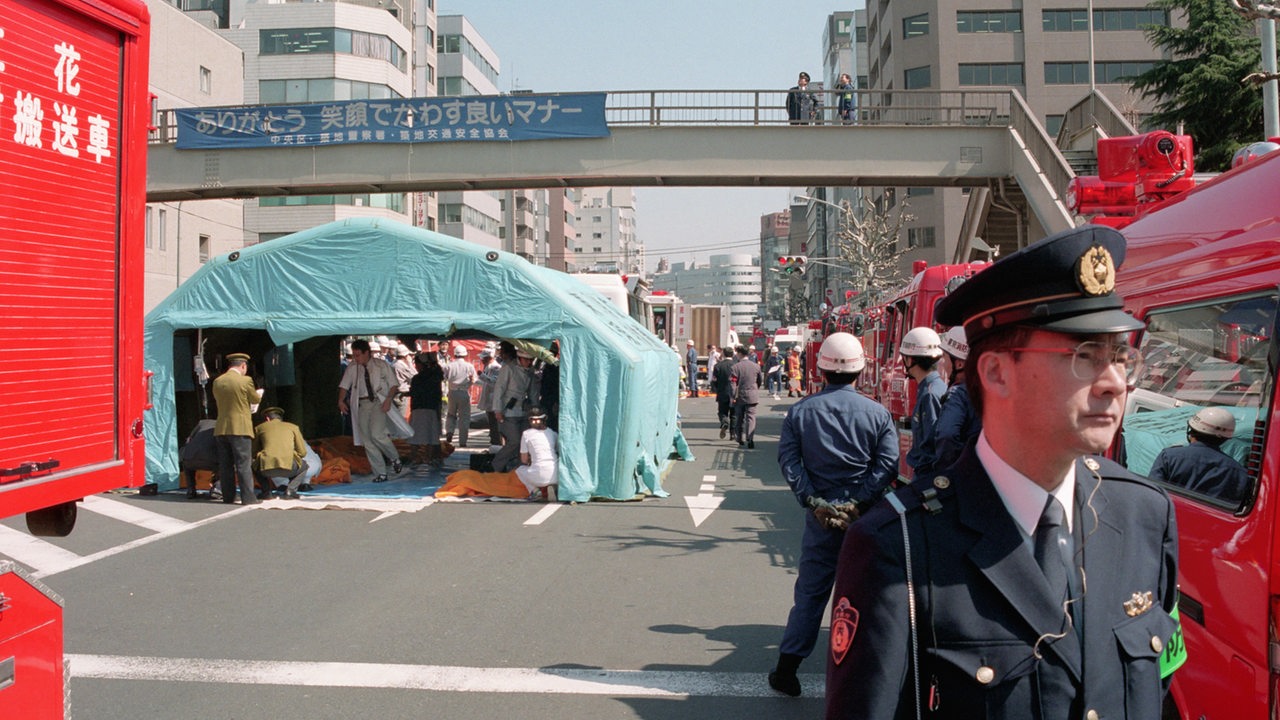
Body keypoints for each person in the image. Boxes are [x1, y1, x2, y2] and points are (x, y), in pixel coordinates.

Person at [826, 225, 1180, 720]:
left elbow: (1159, 687)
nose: (1115, 383)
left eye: (1121, 357)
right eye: (1085, 357)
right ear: (995, 372)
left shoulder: (1143, 513)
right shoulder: (900, 545)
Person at [770, 332, 898, 697]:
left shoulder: (801, 412)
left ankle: (787, 670)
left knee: (811, 594)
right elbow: (887, 464)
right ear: (860, 369)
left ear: (821, 368)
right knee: (868, 592)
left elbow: (790, 462)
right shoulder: (878, 413)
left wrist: (814, 502)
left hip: (821, 517)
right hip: (865, 517)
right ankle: (870, 673)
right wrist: (857, 503)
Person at [1149, 406, 1249, 502]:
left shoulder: (1169, 456)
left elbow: (1152, 493)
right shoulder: (1239, 473)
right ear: (1225, 439)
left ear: (1191, 431)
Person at [337, 338, 402, 483]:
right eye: (354, 355)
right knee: (367, 440)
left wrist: (388, 400)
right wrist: (340, 400)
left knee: (377, 434)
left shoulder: (381, 365)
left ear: (367, 353)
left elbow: (393, 385)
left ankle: (394, 457)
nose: (356, 358)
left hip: (379, 402)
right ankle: (381, 473)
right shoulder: (353, 367)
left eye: (358, 355)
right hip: (363, 403)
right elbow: (344, 385)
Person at [212, 353, 263, 505]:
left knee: (225, 465)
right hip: (240, 427)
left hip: (221, 428)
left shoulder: (218, 381)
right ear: (243, 366)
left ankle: (228, 497)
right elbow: (255, 399)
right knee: (243, 464)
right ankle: (248, 498)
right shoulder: (245, 380)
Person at [900, 326, 947, 478]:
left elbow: (931, 446)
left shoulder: (930, 394)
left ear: (910, 359)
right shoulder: (933, 388)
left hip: (926, 475)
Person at [934, 325, 981, 472]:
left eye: (945, 357)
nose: (942, 363)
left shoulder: (957, 395)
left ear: (959, 363)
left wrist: (944, 474)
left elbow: (947, 435)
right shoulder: (987, 392)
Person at [492, 348, 535, 472]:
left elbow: (532, 392)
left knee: (523, 442)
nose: (529, 362)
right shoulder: (508, 369)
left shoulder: (530, 371)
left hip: (523, 410)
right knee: (514, 441)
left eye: (531, 360)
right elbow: (499, 389)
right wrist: (498, 410)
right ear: (520, 358)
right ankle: (496, 466)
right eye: (526, 360)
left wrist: (534, 407)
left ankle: (518, 468)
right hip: (508, 411)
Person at [252, 407, 308, 500]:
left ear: (267, 419)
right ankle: (291, 491)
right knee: (304, 466)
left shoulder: (259, 428)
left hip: (266, 468)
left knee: (252, 465)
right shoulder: (293, 427)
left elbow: (253, 452)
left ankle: (266, 492)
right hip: (290, 467)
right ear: (280, 418)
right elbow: (302, 452)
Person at [408, 351, 444, 469]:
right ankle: (430, 458)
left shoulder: (417, 378)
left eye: (417, 364)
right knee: (431, 436)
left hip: (419, 409)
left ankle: (415, 458)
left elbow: (414, 392)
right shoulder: (436, 376)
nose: (416, 366)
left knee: (415, 437)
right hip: (432, 409)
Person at [515, 406, 559, 502]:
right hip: (557, 475)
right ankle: (555, 486)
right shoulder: (553, 433)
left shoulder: (526, 434)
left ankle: (535, 491)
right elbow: (558, 450)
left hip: (537, 476)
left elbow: (524, 460)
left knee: (519, 470)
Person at [443, 345, 478, 448]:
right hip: (463, 391)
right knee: (464, 418)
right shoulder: (469, 366)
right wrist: (469, 385)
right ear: (465, 355)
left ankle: (449, 432)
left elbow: (444, 378)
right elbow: (474, 379)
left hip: (452, 391)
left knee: (450, 414)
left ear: (455, 354)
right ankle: (462, 441)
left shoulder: (449, 365)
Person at [731, 345, 763, 449]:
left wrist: (732, 396)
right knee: (751, 417)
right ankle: (750, 438)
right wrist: (755, 388)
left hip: (740, 395)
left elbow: (733, 384)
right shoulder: (756, 366)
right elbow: (759, 381)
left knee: (739, 418)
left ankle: (739, 438)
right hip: (752, 395)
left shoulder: (736, 367)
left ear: (740, 354)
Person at [179, 418, 218, 499]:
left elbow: (188, 439)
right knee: (225, 463)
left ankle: (191, 490)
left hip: (189, 459)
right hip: (210, 460)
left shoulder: (201, 423)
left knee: (187, 464)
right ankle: (217, 489)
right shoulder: (220, 426)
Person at [477, 343, 503, 447]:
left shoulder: (496, 367)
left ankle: (496, 441)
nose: (481, 360)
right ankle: (494, 439)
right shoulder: (488, 367)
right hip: (489, 399)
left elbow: (494, 382)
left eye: (483, 358)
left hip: (493, 399)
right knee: (491, 422)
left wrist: (482, 376)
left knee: (495, 423)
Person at [711, 350, 737, 440]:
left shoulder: (718, 366)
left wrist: (715, 389)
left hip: (722, 392)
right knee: (734, 414)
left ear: (723, 354)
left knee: (722, 412)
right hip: (734, 393)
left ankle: (724, 422)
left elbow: (714, 380)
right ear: (732, 355)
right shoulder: (736, 365)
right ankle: (733, 433)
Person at [539, 340, 561, 433]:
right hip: (546, 400)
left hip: (552, 401)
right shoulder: (548, 366)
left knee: (551, 425)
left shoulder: (555, 368)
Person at [393, 344, 417, 420]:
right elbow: (415, 376)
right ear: (405, 355)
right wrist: (410, 363)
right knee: (403, 418)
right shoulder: (401, 365)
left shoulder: (394, 363)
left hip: (396, 393)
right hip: (402, 394)